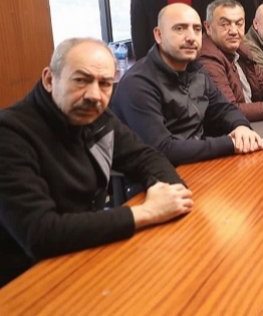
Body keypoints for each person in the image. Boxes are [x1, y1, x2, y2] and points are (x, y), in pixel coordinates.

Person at [0, 38, 193, 286]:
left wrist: (169, 191)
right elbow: (40, 233)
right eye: (81, 80)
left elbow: (145, 156)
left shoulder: (94, 116)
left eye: (105, 84)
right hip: (25, 279)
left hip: (83, 252)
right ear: (49, 80)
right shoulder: (9, 134)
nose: (94, 95)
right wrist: (148, 212)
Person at [112, 3, 263, 166]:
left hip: (197, 164)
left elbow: (224, 109)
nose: (191, 37)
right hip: (158, 174)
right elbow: (162, 149)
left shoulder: (196, 70)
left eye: (196, 29)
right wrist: (230, 143)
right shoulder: (138, 83)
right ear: (159, 35)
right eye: (179, 29)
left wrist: (241, 127)